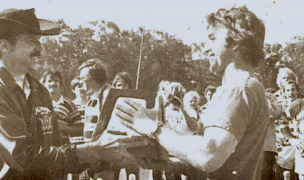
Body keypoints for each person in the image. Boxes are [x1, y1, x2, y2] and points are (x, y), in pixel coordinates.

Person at [115, 6, 269, 180]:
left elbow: (209, 156)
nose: (205, 48)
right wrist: (168, 165)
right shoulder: (244, 87)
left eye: (212, 38)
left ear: (236, 41)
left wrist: (152, 127)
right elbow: (223, 164)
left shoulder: (238, 88)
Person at [0, 8, 111, 180]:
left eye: (39, 40)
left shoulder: (40, 90)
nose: (40, 47)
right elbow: (20, 157)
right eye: (31, 40)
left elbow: (57, 144)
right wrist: (95, 151)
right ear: (4, 46)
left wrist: (107, 157)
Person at [40, 70, 83, 140]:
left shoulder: (69, 104)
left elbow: (80, 128)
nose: (53, 83)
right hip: (44, 146)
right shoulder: (39, 104)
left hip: (62, 147)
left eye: (56, 80)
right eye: (49, 81)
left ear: (60, 84)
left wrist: (64, 127)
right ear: (44, 84)